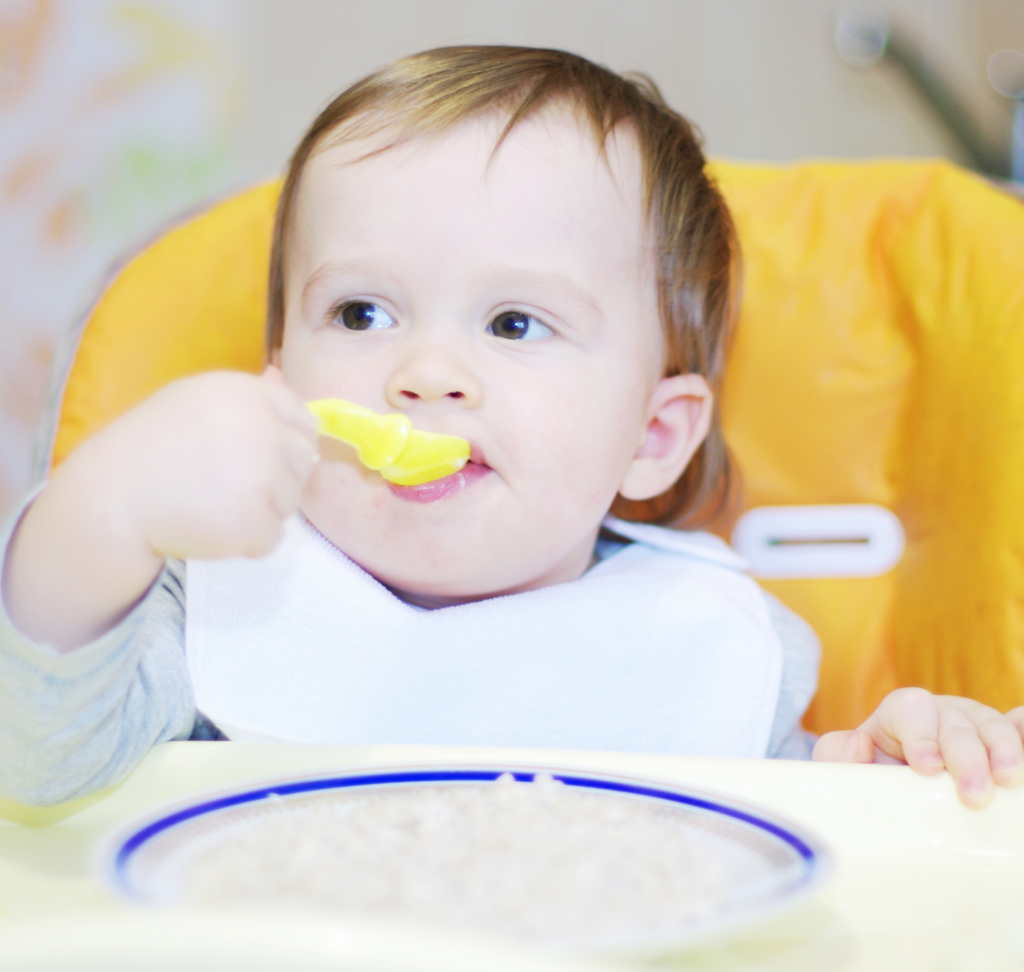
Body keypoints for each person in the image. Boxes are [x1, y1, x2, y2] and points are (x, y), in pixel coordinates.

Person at [2, 47, 1022, 808]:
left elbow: (817, 877)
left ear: (651, 438)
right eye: (360, 313)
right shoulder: (210, 610)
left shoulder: (703, 649)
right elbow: (32, 762)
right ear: (278, 377)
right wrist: (109, 506)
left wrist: (896, 776)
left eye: (513, 323)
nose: (426, 372)